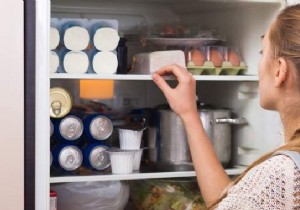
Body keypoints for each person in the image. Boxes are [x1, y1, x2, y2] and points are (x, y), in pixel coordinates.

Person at [152, 4, 300, 210]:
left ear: (279, 71)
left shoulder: (281, 173)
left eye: (262, 51)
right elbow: (229, 201)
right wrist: (188, 114)